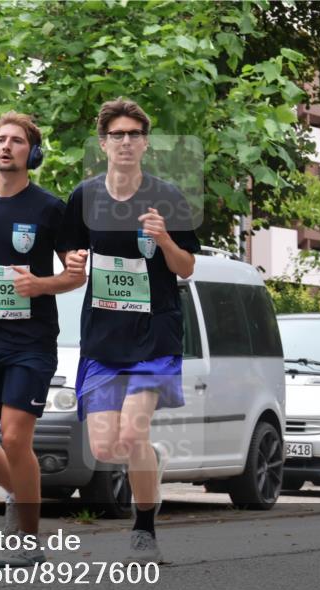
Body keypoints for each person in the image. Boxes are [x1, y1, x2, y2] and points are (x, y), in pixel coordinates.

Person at [62, 98, 201, 563]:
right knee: (107, 446)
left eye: (134, 135)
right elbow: (71, 262)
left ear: (145, 143)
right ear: (103, 143)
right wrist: (71, 260)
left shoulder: (167, 197)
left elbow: (186, 269)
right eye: (117, 135)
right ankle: (149, 458)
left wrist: (164, 239)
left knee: (131, 436)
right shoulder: (84, 196)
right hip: (103, 338)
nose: (125, 142)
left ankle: (144, 527)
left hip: (154, 337)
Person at [0, 112, 86, 567]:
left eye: (17, 141)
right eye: (0, 140)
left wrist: (40, 285)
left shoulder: (49, 209)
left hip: (31, 341)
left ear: (33, 153)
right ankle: (19, 492)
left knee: (17, 435)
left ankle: (28, 539)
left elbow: (73, 276)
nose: (6, 147)